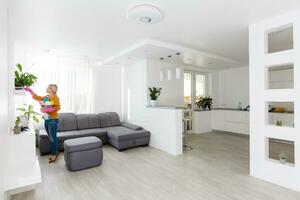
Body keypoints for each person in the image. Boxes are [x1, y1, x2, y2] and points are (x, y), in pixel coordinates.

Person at [25, 84, 61, 163]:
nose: (46, 88)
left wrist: (48, 109)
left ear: (52, 89)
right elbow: (37, 98)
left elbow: (58, 107)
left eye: (48, 87)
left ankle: (54, 155)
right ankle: (56, 152)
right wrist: (31, 91)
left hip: (53, 120)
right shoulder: (46, 97)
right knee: (51, 138)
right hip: (47, 120)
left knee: (52, 138)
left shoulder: (55, 97)